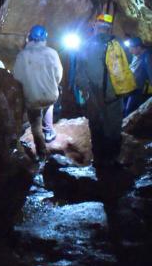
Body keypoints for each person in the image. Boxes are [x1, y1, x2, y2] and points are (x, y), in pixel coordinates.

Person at [75, 14, 126, 167]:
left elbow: (80, 75)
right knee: (114, 126)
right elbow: (127, 66)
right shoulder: (119, 44)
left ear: (95, 27)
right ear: (109, 28)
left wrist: (85, 92)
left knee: (97, 124)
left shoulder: (85, 46)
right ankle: (113, 159)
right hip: (115, 94)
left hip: (94, 94)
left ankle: (99, 160)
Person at [13, 25, 63, 160]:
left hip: (32, 98)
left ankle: (41, 151)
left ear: (29, 38)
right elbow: (58, 75)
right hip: (50, 95)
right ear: (44, 38)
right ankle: (49, 132)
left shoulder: (22, 55)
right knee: (49, 103)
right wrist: (52, 84)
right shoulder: (52, 53)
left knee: (35, 123)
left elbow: (17, 78)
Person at [124, 37, 152, 116]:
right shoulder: (137, 55)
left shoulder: (147, 57)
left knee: (129, 111)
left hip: (137, 90)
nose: (130, 51)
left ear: (139, 47)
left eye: (132, 49)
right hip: (129, 88)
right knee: (126, 109)